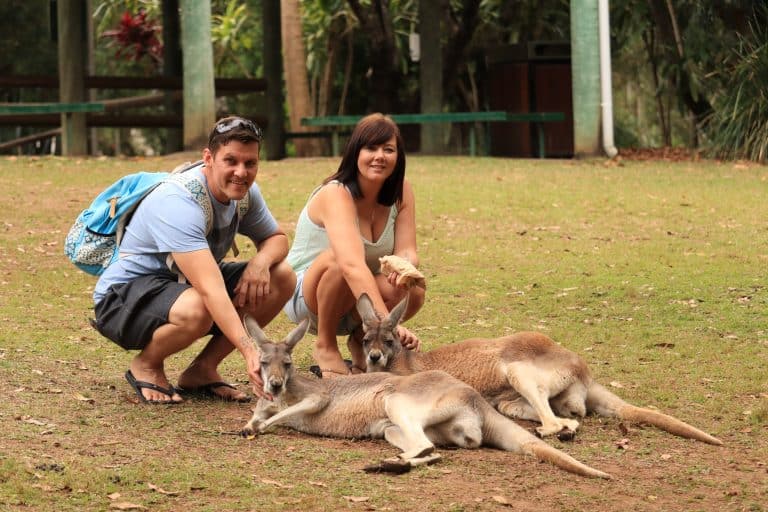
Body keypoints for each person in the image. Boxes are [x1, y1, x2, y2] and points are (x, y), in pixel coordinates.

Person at [91, 116, 296, 404]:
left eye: (250, 163)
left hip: (183, 286)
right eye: (231, 161)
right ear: (208, 158)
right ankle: (147, 364)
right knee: (199, 307)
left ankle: (202, 369)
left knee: (281, 277)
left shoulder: (245, 194)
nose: (241, 172)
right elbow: (211, 289)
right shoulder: (179, 201)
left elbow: (277, 238)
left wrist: (260, 263)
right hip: (121, 300)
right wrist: (250, 351)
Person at [283, 113, 425, 378]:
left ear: (399, 156)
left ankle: (362, 340)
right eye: (371, 148)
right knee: (337, 260)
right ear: (355, 152)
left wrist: (404, 268)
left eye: (388, 149)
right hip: (308, 298)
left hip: (357, 298)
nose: (379, 156)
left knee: (412, 289)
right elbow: (350, 265)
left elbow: (407, 251)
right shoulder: (336, 193)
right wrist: (389, 324)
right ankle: (325, 346)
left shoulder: (402, 191)